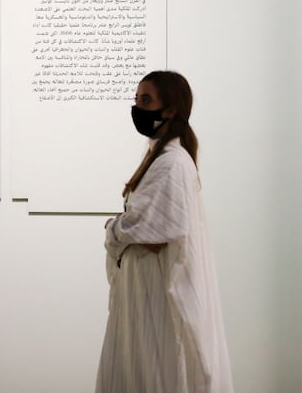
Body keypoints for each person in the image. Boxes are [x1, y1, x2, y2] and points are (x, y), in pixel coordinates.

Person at [96, 71, 233, 393]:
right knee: (140, 366)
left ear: (170, 109)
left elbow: (156, 227)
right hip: (143, 287)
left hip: (155, 291)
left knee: (157, 368)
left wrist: (115, 227)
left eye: (146, 100)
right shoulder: (161, 157)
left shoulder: (172, 162)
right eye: (136, 99)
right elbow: (146, 224)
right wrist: (127, 229)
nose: (138, 107)